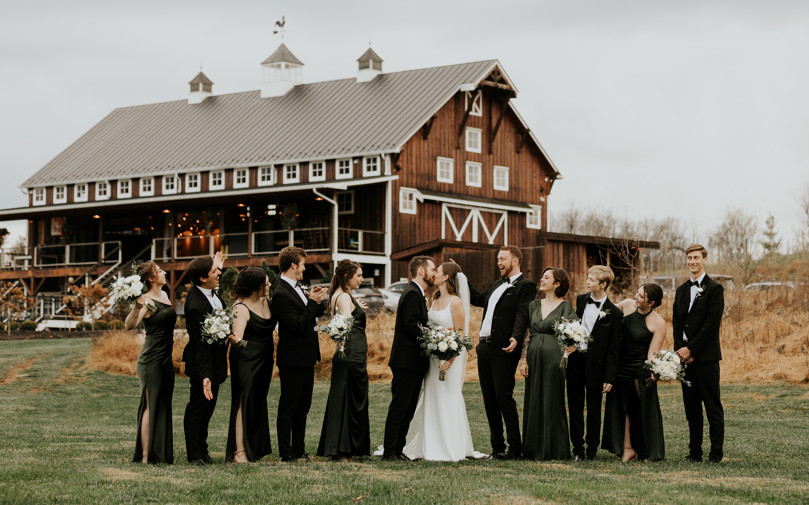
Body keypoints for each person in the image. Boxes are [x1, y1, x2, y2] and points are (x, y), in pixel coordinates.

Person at [402, 262, 487, 461]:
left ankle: (449, 447)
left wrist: (449, 358)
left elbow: (461, 335)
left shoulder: (456, 302)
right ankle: (429, 444)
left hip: (450, 359)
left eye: (438, 271)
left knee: (448, 398)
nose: (435, 274)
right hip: (433, 359)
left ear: (446, 277)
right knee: (432, 398)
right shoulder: (434, 298)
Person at [466, 246, 536, 460]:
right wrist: (460, 277)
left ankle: (515, 448)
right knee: (489, 398)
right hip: (484, 347)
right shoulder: (497, 284)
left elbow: (523, 314)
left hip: (505, 347)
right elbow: (478, 299)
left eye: (502, 259)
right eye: (498, 259)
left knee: (503, 396)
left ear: (515, 261)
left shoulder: (526, 286)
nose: (499, 263)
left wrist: (516, 336)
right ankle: (497, 448)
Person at [272, 246, 328, 462]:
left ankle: (299, 450)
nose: (305, 268)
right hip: (292, 359)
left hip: (306, 356)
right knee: (289, 407)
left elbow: (314, 313)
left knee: (303, 407)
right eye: (303, 264)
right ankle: (286, 453)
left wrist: (316, 300)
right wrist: (311, 303)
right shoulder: (280, 294)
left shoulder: (298, 288)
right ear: (293, 265)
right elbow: (297, 324)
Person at [602, 283, 667, 462]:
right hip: (620, 365)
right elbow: (604, 314)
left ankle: (649, 451)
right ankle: (627, 448)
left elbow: (652, 353)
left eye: (641, 296)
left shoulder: (659, 323)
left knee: (645, 409)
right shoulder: (627, 305)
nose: (636, 298)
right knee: (620, 407)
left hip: (640, 367)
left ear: (651, 302)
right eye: (637, 293)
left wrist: (656, 370)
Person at [673, 244, 725, 463]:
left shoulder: (714, 289)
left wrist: (691, 349)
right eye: (689, 258)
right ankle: (695, 453)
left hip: (706, 358)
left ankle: (715, 454)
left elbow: (711, 325)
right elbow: (676, 322)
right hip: (686, 359)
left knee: (712, 406)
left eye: (696, 258)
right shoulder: (681, 290)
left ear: (705, 260)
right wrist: (681, 351)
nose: (692, 261)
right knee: (691, 408)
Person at [518, 267, 575, 460]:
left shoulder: (566, 307)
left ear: (557, 283)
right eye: (542, 276)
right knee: (533, 400)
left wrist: (571, 346)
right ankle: (532, 449)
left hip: (554, 359)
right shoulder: (534, 305)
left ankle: (555, 449)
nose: (541, 280)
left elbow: (576, 332)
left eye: (546, 277)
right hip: (533, 357)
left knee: (552, 400)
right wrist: (523, 359)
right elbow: (528, 333)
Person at [381, 255, 434, 461]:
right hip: (406, 360)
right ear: (421, 271)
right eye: (432, 268)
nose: (434, 272)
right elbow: (412, 325)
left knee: (408, 409)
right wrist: (433, 334)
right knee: (400, 407)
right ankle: (389, 451)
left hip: (413, 362)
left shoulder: (417, 294)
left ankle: (397, 449)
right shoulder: (412, 293)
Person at [317, 260, 371, 462]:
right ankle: (342, 449)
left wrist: (357, 307)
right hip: (351, 354)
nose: (362, 279)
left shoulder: (341, 295)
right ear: (347, 276)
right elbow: (345, 322)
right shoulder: (344, 297)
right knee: (348, 397)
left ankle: (344, 447)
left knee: (347, 396)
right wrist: (352, 308)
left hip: (351, 353)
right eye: (358, 275)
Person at [568, 265, 623, 460]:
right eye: (588, 278)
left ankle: (591, 449)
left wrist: (609, 377)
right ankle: (577, 449)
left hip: (597, 367)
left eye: (592, 279)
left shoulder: (615, 314)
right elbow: (574, 327)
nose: (587, 282)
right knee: (574, 407)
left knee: (593, 408)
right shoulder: (581, 300)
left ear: (603, 284)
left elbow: (614, 350)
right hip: (576, 362)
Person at [126, 261, 176, 464]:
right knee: (150, 404)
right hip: (150, 360)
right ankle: (146, 456)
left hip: (166, 358)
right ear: (150, 279)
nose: (164, 272)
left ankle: (160, 453)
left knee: (163, 404)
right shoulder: (145, 300)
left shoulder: (164, 296)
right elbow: (130, 325)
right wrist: (137, 306)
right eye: (159, 271)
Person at [225, 267, 277, 463]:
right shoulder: (240, 308)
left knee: (257, 402)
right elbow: (237, 337)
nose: (269, 284)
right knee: (243, 401)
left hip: (265, 359)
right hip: (246, 360)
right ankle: (239, 452)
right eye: (266, 282)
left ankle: (254, 447)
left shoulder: (267, 302)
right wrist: (234, 340)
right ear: (256, 287)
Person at [182, 251, 227, 465]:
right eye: (214, 272)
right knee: (197, 410)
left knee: (208, 410)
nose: (218, 273)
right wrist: (205, 376)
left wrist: (215, 264)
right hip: (202, 365)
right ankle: (194, 455)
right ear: (202, 278)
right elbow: (200, 344)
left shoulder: (211, 293)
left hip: (215, 364)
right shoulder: (195, 305)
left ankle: (204, 450)